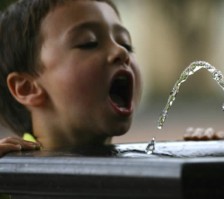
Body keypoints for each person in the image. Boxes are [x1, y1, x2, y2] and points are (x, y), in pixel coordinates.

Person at [0, 0, 142, 156]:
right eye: (89, 43)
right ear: (27, 88)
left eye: (126, 44)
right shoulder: (12, 171)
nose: (121, 51)